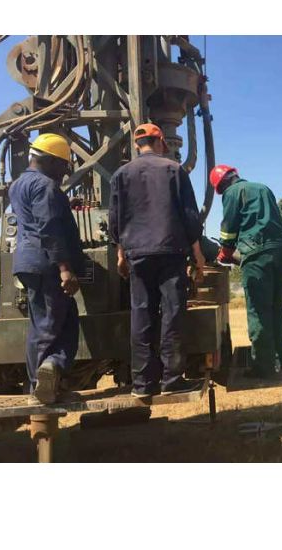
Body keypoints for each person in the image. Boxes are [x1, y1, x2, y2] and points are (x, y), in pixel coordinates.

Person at [109, 123, 205, 397]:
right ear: (161, 141)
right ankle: (171, 380)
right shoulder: (174, 170)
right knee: (172, 314)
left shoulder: (121, 174)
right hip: (170, 252)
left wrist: (120, 255)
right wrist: (197, 254)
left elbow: (115, 220)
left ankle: (142, 384)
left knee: (141, 315)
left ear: (136, 145)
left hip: (137, 254)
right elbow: (190, 216)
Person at [9, 133, 85, 404]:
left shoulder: (18, 185)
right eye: (63, 165)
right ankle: (40, 388)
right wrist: (65, 267)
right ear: (51, 161)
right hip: (46, 264)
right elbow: (49, 228)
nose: (64, 173)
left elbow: (36, 217)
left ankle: (51, 377)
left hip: (27, 261)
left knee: (62, 321)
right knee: (48, 327)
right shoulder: (46, 186)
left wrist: (64, 205)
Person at [209, 165, 282, 378]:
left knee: (259, 310)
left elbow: (229, 229)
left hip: (257, 255)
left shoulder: (231, 193)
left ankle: (263, 366)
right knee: (277, 308)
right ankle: (281, 359)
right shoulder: (262, 187)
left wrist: (224, 254)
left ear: (221, 185)